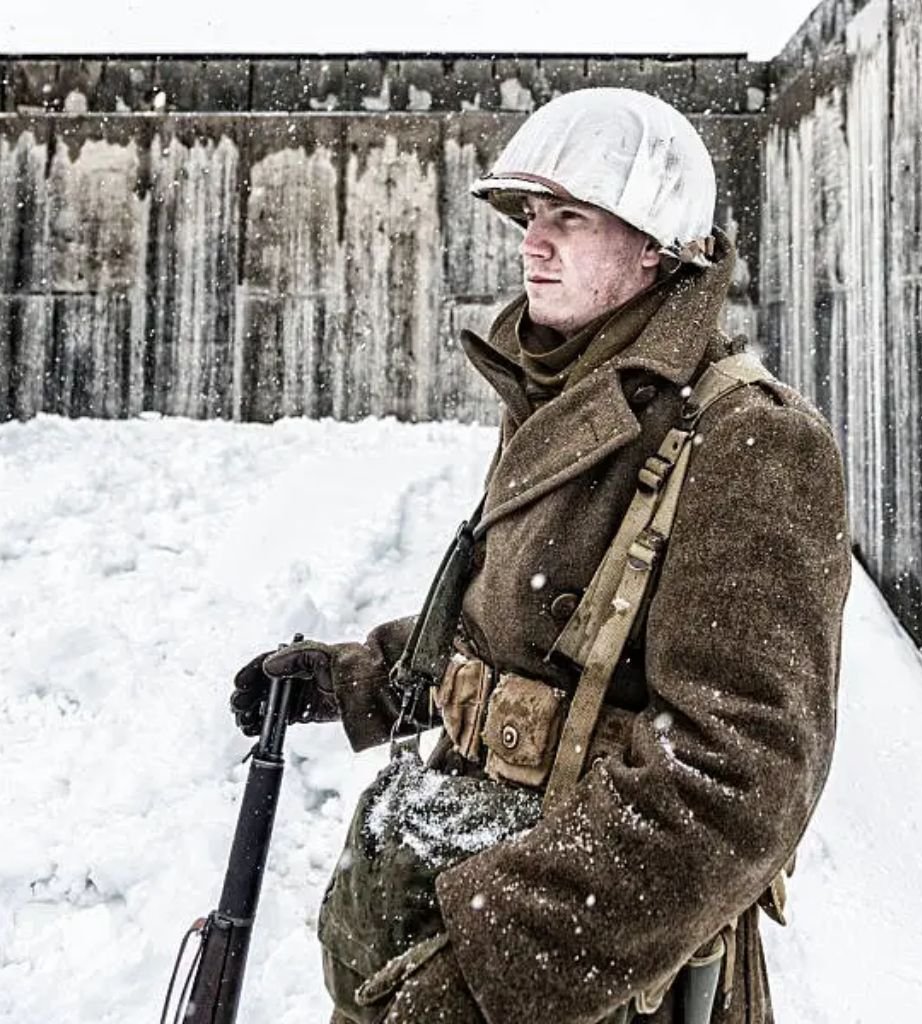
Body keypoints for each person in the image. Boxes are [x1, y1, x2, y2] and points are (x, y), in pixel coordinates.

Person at [230, 87, 851, 1024]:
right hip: (461, 879)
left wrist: (496, 978)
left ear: (656, 244)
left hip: (588, 971)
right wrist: (357, 679)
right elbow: (515, 634)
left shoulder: (746, 439)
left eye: (570, 216)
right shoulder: (564, 391)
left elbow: (739, 778)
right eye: (530, 214)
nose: (534, 241)